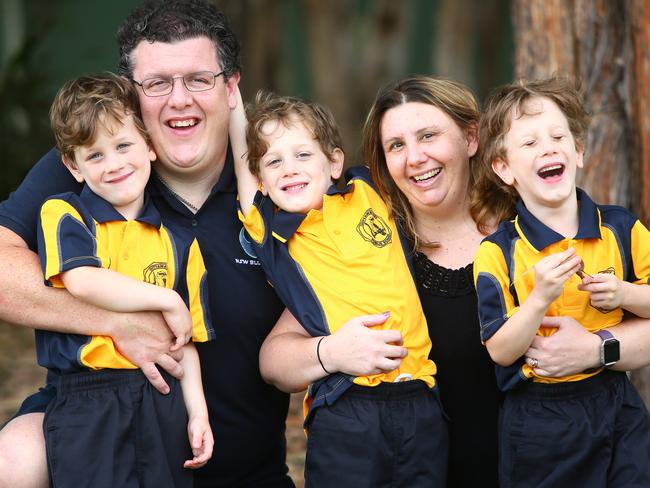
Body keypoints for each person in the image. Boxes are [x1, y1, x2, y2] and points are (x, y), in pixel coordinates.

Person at [257, 74, 650, 488]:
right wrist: (333, 352)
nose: (415, 158)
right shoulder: (374, 250)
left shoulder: (533, 227)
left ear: (471, 138)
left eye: (428, 136)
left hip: (560, 466)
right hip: (424, 472)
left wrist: (597, 349)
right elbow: (274, 360)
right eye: (396, 146)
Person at [0, 1, 295, 487]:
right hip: (103, 446)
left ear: (230, 87)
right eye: (158, 83)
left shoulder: (277, 175)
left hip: (242, 466)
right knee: (16, 456)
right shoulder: (99, 164)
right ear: (132, 97)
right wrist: (116, 322)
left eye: (199, 79)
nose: (179, 99)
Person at [230, 89, 447, 487]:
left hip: (420, 394)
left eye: (302, 155)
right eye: (274, 162)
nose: (289, 169)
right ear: (261, 181)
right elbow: (244, 166)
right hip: (347, 402)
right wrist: (231, 99)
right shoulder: (274, 230)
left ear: (334, 163)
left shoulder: (368, 191)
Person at [474, 76, 650, 487]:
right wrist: (538, 300)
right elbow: (499, 350)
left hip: (616, 399)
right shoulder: (497, 251)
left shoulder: (621, 228)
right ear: (504, 169)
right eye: (530, 143)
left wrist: (625, 293)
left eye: (558, 136)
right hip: (540, 420)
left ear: (579, 151)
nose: (548, 147)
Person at [39, 72, 213, 486]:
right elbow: (82, 279)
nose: (113, 164)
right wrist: (165, 300)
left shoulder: (179, 239)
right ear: (73, 166)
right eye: (94, 156)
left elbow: (183, 344)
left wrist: (199, 413)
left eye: (123, 146)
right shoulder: (66, 213)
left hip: (162, 399)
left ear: (150, 147)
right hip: (88, 401)